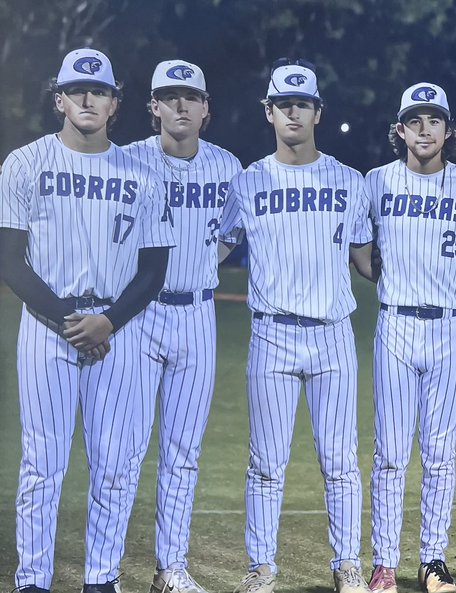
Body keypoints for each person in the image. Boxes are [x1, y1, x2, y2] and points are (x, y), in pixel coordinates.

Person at [0, 48, 173, 593]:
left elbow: (154, 270)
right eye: (78, 90)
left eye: (99, 91)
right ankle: (33, 581)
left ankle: (101, 579)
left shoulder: (143, 173)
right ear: (60, 100)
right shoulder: (25, 163)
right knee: (42, 465)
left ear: (115, 103)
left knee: (115, 467)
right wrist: (67, 320)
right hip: (46, 328)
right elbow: (8, 257)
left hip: (117, 331)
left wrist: (109, 321)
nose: (88, 98)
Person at [218, 58, 372, 593]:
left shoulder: (350, 182)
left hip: (332, 334)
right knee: (265, 462)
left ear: (317, 113)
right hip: (272, 334)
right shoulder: (247, 181)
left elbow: (369, 263)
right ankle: (261, 566)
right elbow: (212, 249)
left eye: (301, 104)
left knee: (341, 461)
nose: (292, 113)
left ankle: (346, 563)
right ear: (269, 111)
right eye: (283, 104)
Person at [124, 59, 243, 593]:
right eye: (168, 96)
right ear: (153, 106)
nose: (180, 105)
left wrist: (198, 263)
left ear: (205, 108)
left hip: (197, 314)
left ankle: (170, 568)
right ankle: (105, 572)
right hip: (137, 316)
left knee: (182, 453)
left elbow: (232, 234)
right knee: (121, 451)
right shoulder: (124, 162)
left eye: (190, 96)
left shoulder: (228, 168)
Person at [360, 82, 456, 593]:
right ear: (400, 130)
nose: (425, 129)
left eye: (434, 120)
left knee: (439, 452)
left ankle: (432, 559)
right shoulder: (376, 182)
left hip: (451, 326)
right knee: (390, 452)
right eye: (416, 121)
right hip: (396, 324)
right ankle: (384, 561)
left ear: (448, 130)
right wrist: (384, 277)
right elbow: (357, 247)